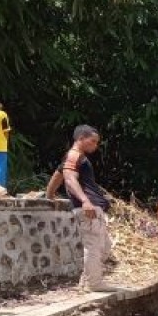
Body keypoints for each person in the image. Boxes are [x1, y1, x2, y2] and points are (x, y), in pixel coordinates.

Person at [60, 125, 114, 292]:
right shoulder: (74, 155)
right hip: (89, 209)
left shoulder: (73, 158)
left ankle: (87, 281)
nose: (95, 145)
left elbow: (59, 174)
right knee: (94, 247)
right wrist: (85, 201)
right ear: (81, 138)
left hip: (92, 208)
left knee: (104, 247)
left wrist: (49, 194)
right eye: (93, 141)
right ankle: (94, 284)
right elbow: (69, 178)